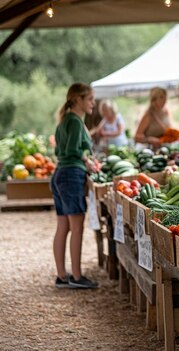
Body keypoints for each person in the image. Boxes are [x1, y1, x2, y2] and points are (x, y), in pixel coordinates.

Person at [51, 83, 100, 289]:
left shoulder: (65, 120)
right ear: (78, 99)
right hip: (71, 174)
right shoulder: (75, 121)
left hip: (60, 173)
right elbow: (72, 149)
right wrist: (87, 161)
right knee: (77, 227)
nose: (93, 103)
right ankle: (77, 277)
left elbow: (60, 152)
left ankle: (62, 276)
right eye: (89, 99)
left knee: (63, 226)